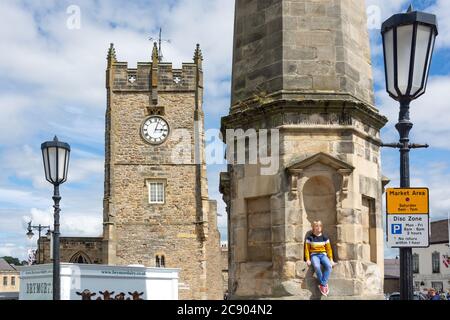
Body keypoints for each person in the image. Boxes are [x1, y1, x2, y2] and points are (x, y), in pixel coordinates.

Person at [305, 221, 337, 297]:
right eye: (316, 226)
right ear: (313, 227)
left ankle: (322, 284)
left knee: (329, 266)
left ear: (321, 227)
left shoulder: (325, 237)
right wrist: (308, 259)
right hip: (314, 255)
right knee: (316, 266)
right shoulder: (310, 238)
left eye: (319, 226)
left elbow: (329, 249)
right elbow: (307, 249)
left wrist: (331, 260)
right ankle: (324, 284)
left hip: (323, 255)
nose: (318, 227)